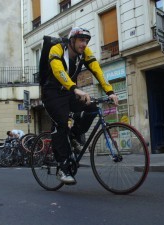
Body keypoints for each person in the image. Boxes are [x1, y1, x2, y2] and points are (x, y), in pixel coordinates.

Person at [41, 27, 118, 184]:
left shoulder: (85, 53)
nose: (84, 44)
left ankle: (75, 135)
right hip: (52, 93)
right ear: (72, 40)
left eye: (86, 41)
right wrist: (76, 89)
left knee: (91, 108)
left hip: (69, 92)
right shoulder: (57, 49)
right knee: (61, 123)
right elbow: (58, 71)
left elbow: (97, 71)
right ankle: (62, 168)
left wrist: (110, 91)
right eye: (81, 40)